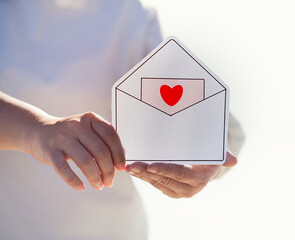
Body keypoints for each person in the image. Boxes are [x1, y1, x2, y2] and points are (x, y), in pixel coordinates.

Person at [0, 0, 244, 239]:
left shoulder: (129, 15)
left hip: (115, 230)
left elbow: (189, 103)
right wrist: (36, 130)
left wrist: (208, 150)